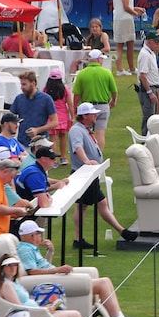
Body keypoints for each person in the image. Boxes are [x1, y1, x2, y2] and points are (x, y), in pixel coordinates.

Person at [15, 220, 144, 317]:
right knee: (103, 283)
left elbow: (43, 266)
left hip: (53, 277)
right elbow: (32, 272)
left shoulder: (31, 249)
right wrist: (57, 270)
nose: (40, 237)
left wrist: (50, 253)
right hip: (51, 283)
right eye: (38, 234)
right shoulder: (26, 250)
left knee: (104, 280)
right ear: (32, 236)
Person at [70, 103, 138, 246]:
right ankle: (121, 231)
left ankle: (79, 238)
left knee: (88, 205)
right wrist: (86, 161)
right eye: (92, 113)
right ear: (85, 116)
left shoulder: (86, 129)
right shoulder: (77, 130)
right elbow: (77, 147)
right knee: (93, 204)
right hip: (84, 174)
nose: (96, 115)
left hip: (90, 174)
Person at [72, 50, 119, 150]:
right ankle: (98, 155)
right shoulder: (106, 73)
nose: (102, 60)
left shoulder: (82, 74)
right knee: (100, 132)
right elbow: (114, 91)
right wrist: (113, 101)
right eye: (101, 58)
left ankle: (87, 154)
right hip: (103, 106)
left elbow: (77, 94)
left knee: (85, 131)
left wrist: (74, 107)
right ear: (98, 59)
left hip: (86, 108)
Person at [111, 0, 144, 76]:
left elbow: (122, 6)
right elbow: (126, 7)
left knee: (119, 45)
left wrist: (136, 8)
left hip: (118, 18)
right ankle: (127, 68)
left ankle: (124, 68)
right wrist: (135, 13)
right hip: (125, 19)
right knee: (129, 44)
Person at [11, 71, 58, 145]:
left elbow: (55, 122)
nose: (22, 87)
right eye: (21, 84)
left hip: (40, 141)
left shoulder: (46, 99)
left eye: (24, 84)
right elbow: (11, 118)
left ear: (33, 83)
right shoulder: (19, 99)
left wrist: (38, 130)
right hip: (22, 141)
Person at [41, 71, 74, 165]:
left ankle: (54, 159)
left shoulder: (46, 89)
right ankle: (63, 157)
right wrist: (72, 116)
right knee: (62, 137)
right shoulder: (64, 89)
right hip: (63, 117)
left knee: (53, 139)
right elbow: (70, 104)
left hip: (51, 118)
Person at [134, 29, 159, 133]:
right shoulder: (145, 55)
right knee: (149, 117)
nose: (158, 44)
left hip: (152, 87)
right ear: (149, 41)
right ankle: (145, 140)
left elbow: (147, 72)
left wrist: (158, 70)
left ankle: (149, 138)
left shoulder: (151, 53)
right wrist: (150, 93)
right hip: (148, 89)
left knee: (152, 116)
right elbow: (142, 75)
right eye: (156, 41)